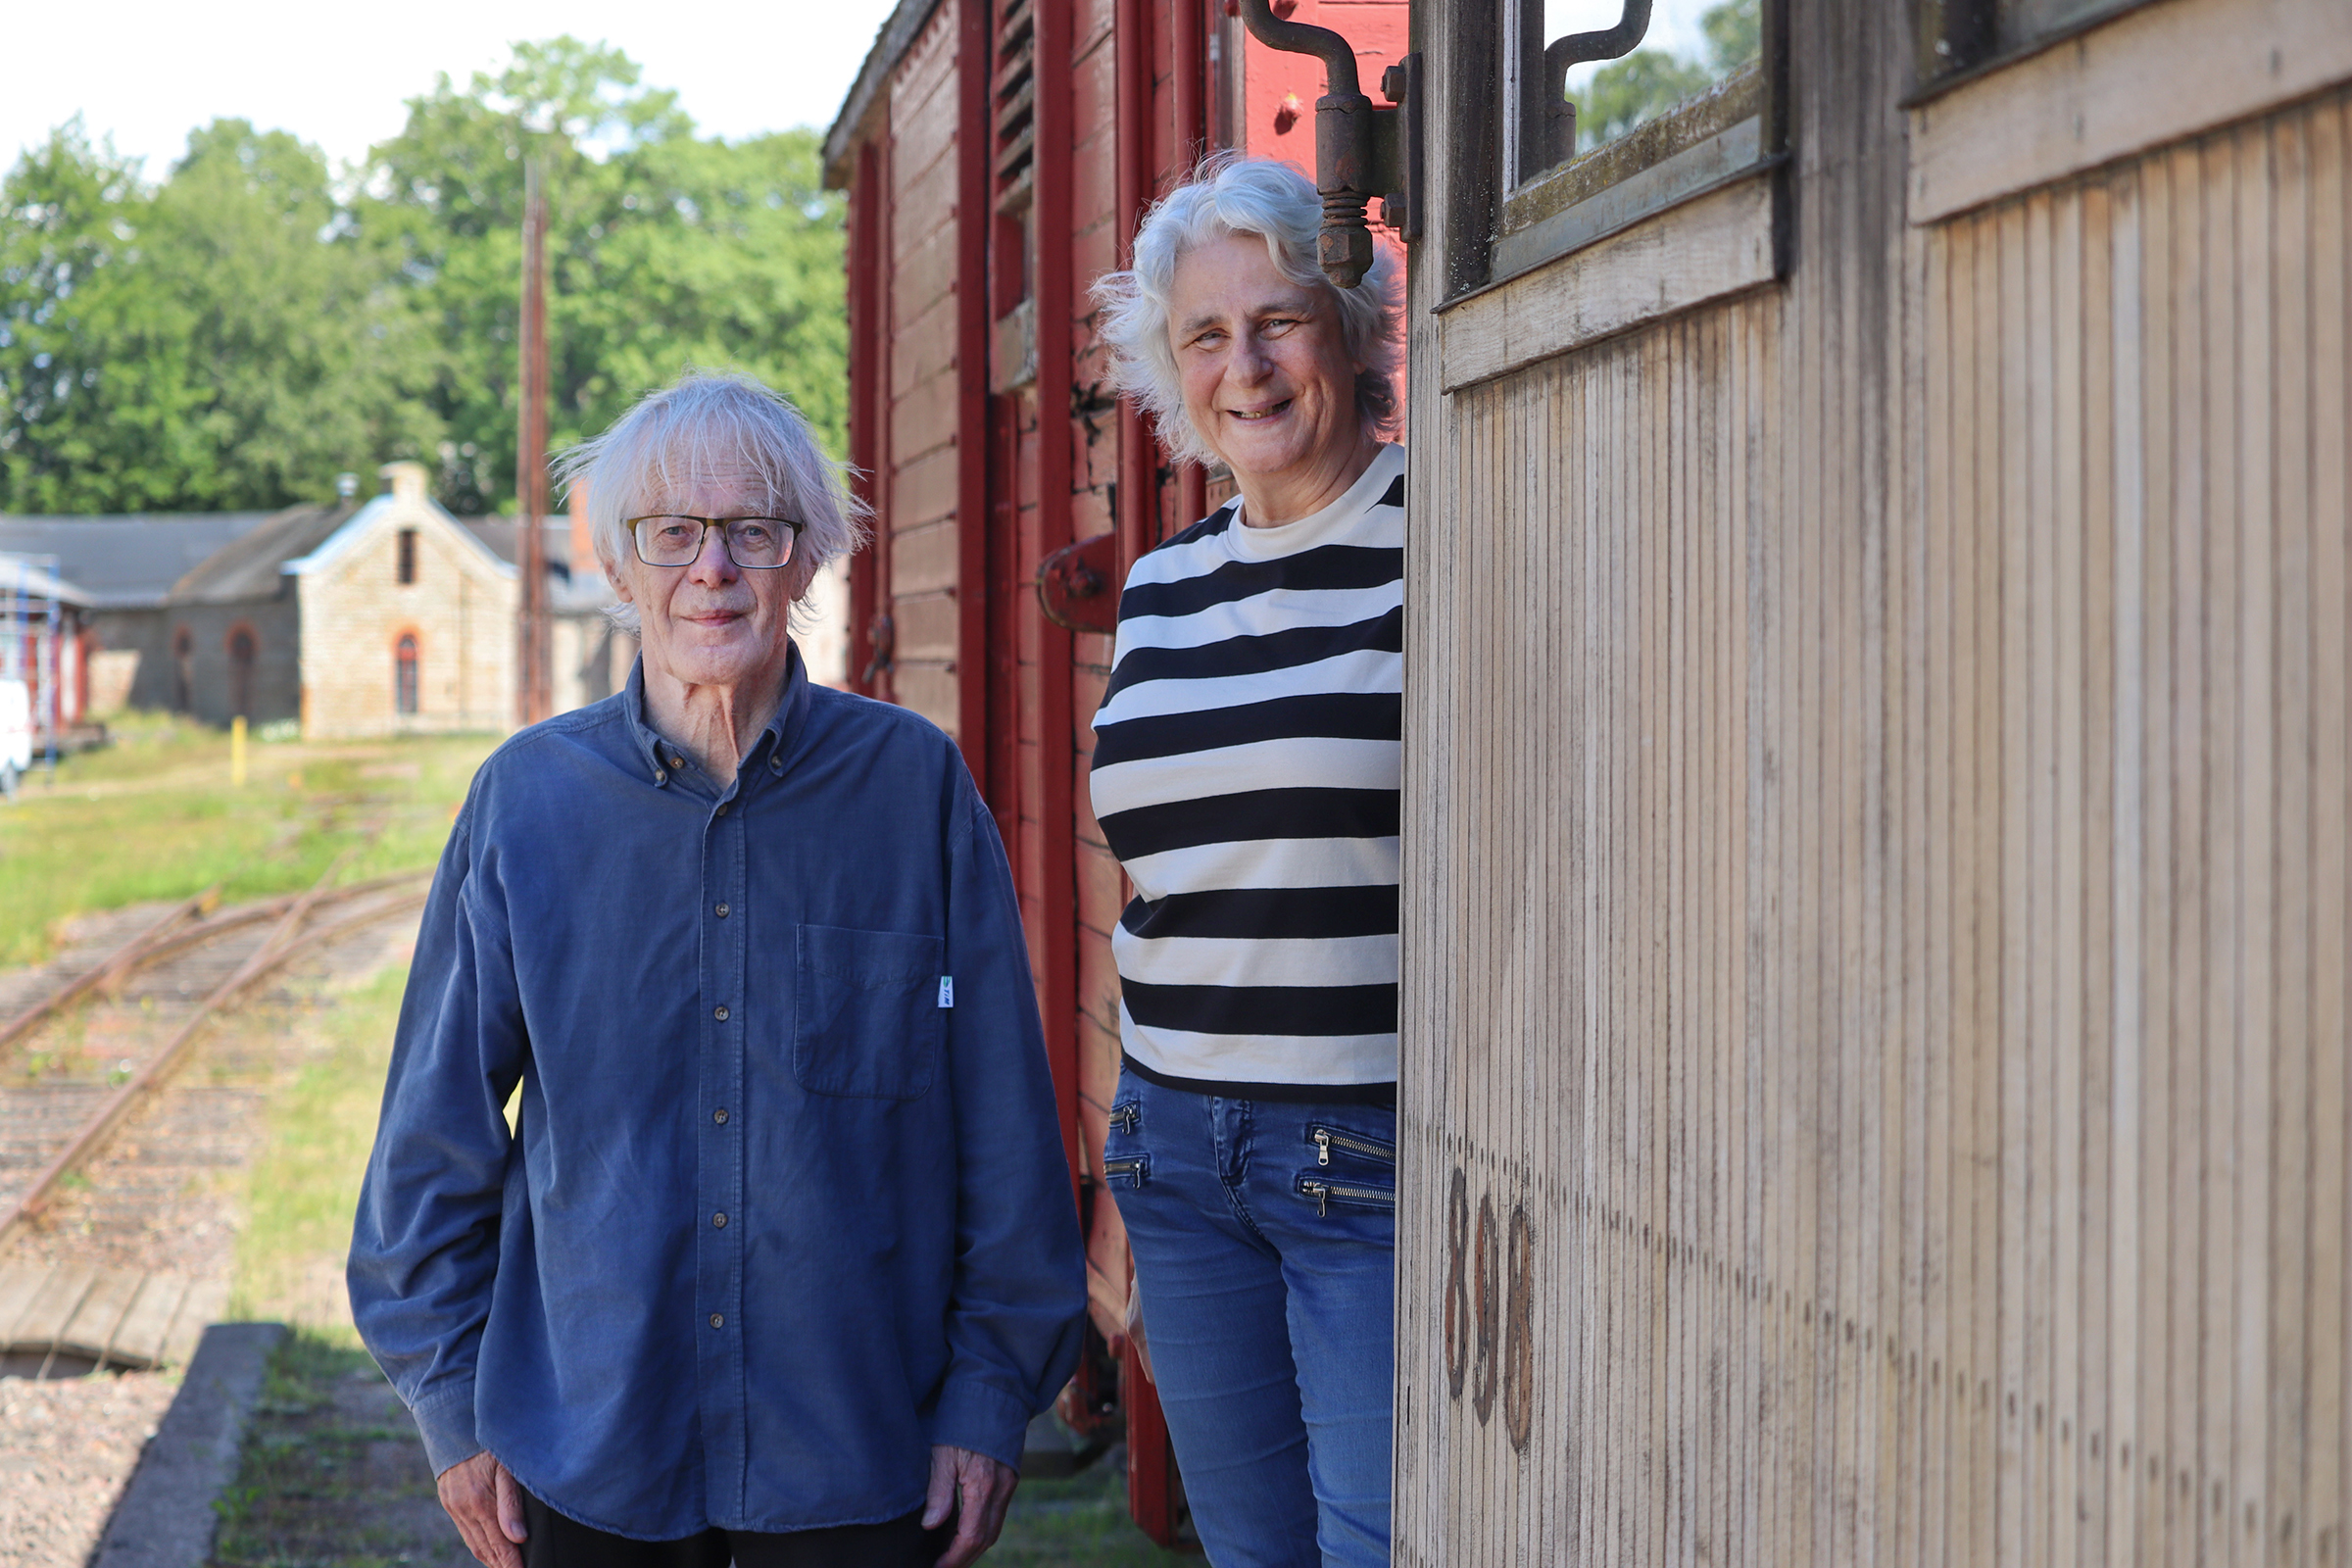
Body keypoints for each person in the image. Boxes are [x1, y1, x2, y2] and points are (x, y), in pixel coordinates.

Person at [349, 371, 1086, 1568]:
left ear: (806, 562)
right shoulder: (525, 806)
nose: (714, 568)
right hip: (586, 1452)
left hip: (862, 1453)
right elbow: (431, 1141)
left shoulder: (913, 792)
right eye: (674, 533)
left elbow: (1001, 1118)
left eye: (755, 529)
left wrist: (991, 1390)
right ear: (621, 564)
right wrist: (450, 1405)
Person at [1088, 155, 1405, 1567]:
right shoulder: (1162, 588)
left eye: (1279, 319)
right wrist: (1128, 1154)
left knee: (1375, 1545)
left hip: (1365, 1153)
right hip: (1174, 1157)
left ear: (1350, 325)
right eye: (1207, 336)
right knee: (1249, 1552)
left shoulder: (1441, 536)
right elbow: (1158, 879)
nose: (1248, 367)